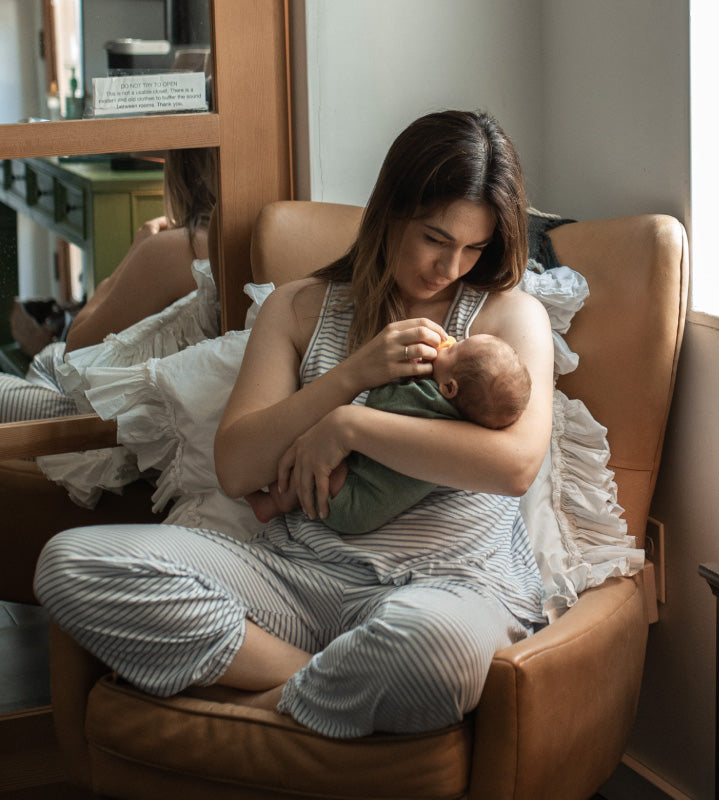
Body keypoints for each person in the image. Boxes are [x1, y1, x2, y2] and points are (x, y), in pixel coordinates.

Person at [34, 110, 555, 739]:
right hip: (295, 579)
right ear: (388, 212)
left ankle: (263, 707)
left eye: (473, 248)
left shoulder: (508, 316)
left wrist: (350, 428)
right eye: (436, 239)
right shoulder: (300, 307)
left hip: (449, 587)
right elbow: (236, 469)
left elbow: (515, 466)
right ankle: (323, 682)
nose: (450, 267)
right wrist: (347, 378)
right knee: (69, 563)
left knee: (434, 650)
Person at [0, 147, 217, 422]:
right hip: (184, 406)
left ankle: (41, 451)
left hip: (126, 428)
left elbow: (75, 349)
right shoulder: (248, 234)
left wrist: (133, 255)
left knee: (44, 364)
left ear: (181, 172)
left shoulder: (176, 249)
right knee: (46, 358)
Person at [245, 333, 532, 533]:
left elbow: (379, 405)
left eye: (455, 350)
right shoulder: (462, 428)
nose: (451, 342)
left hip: (354, 498)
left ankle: (276, 502)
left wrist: (398, 374)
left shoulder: (427, 399)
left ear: (448, 388)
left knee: (314, 452)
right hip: (365, 508)